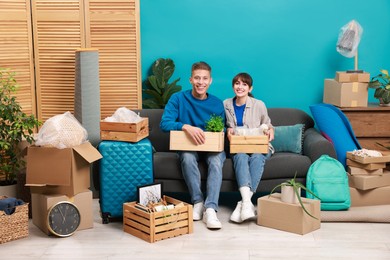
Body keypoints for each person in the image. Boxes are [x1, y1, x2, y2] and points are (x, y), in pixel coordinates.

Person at [160, 61, 226, 229]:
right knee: (187, 158)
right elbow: (164, 123)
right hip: (188, 146)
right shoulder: (178, 99)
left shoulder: (217, 104)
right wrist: (185, 126)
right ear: (191, 80)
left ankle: (210, 208)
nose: (200, 82)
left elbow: (221, 129)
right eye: (197, 78)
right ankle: (198, 201)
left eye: (204, 78)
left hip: (211, 147)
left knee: (216, 161)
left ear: (210, 81)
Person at [223, 72, 274, 223]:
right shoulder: (226, 104)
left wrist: (270, 130)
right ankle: (246, 203)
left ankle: (244, 203)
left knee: (258, 156)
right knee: (240, 156)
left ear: (250, 88)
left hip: (259, 145)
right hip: (239, 146)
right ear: (233, 86)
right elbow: (226, 126)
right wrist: (228, 131)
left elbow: (268, 124)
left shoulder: (259, 104)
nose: (240, 87)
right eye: (237, 83)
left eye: (244, 84)